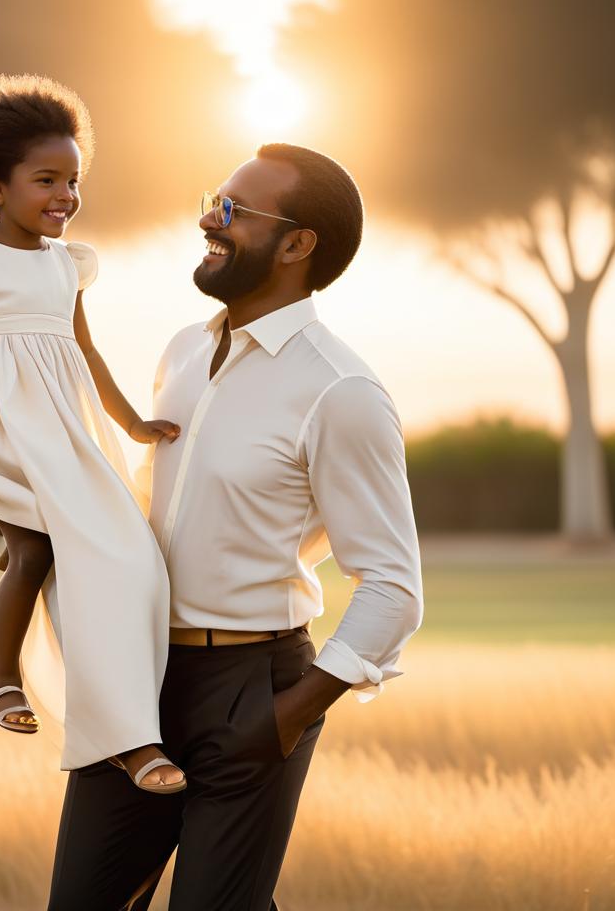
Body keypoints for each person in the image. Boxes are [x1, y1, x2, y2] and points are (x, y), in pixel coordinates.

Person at [47, 144, 424, 910]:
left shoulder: (341, 390)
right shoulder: (182, 353)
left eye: (232, 211)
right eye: (211, 200)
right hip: (138, 682)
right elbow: (147, 514)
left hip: (253, 690)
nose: (205, 220)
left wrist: (283, 720)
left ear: (296, 244)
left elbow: (393, 588)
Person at [0, 73, 185, 792]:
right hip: (2, 443)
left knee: (133, 562)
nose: (67, 195)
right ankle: (5, 680)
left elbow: (86, 354)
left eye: (74, 180)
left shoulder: (69, 267)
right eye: (47, 180)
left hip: (70, 441)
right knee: (33, 552)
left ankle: (136, 721)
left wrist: (131, 423)